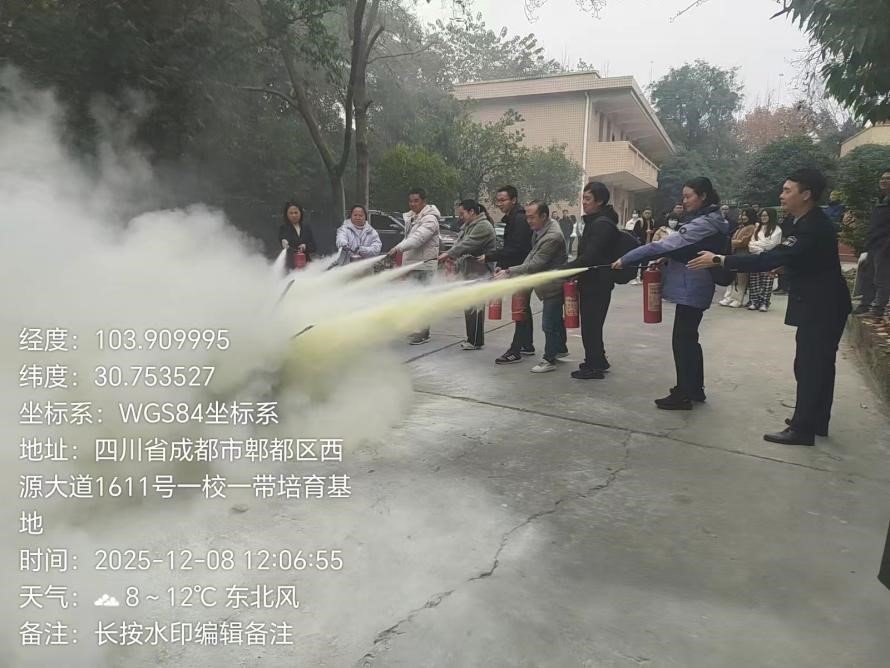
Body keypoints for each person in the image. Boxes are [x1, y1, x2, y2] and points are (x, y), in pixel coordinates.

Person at [689, 169, 852, 445]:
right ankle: (816, 420)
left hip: (821, 306)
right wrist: (787, 265)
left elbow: (772, 257)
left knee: (811, 366)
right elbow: (802, 259)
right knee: (819, 365)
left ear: (806, 194)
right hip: (821, 302)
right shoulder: (804, 221)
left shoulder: (812, 226)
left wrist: (721, 259)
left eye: (788, 190)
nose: (782, 195)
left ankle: (802, 429)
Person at [612, 177, 729, 409]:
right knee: (689, 339)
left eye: (688, 196)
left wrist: (626, 258)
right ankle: (694, 389)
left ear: (703, 196)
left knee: (682, 341)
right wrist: (668, 256)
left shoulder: (704, 222)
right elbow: (686, 248)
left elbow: (662, 244)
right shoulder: (710, 219)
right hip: (694, 286)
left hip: (693, 287)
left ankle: (683, 394)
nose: (684, 201)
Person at [496, 200, 568, 373]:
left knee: (549, 323)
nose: (528, 221)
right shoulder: (541, 229)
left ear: (544, 216)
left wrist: (510, 272)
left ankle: (549, 360)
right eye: (527, 217)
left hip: (553, 285)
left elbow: (536, 263)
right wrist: (512, 270)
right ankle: (560, 348)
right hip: (545, 283)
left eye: (532, 217)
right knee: (556, 320)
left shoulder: (552, 236)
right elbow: (532, 254)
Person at [562, 181, 621, 379]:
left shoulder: (602, 225)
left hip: (597, 283)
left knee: (591, 326)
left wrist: (565, 270)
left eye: (588, 199)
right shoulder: (596, 222)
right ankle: (598, 360)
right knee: (591, 324)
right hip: (592, 281)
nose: (584, 203)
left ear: (600, 201)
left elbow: (590, 257)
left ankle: (594, 367)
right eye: (583, 199)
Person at [482, 185, 534, 364]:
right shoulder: (512, 218)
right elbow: (509, 246)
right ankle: (527, 344)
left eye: (503, 200)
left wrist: (491, 257)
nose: (499, 203)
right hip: (516, 268)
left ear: (514, 200)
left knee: (520, 308)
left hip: (522, 270)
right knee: (524, 307)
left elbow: (517, 248)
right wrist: (501, 265)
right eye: (498, 200)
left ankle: (515, 350)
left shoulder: (519, 219)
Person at [386, 188, 441, 345]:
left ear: (424, 201)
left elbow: (418, 238)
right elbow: (409, 238)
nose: (413, 204)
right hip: (414, 264)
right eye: (410, 201)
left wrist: (398, 248)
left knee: (423, 300)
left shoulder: (430, 219)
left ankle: (424, 333)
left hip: (424, 266)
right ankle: (418, 329)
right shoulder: (413, 218)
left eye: (416, 201)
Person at [440, 199, 497, 350]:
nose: (460, 217)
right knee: (469, 305)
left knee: (476, 306)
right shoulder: (469, 226)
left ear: (472, 212)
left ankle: (476, 341)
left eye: (462, 213)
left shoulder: (483, 226)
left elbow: (467, 244)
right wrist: (451, 258)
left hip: (480, 272)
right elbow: (459, 243)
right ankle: (471, 339)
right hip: (470, 271)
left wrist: (449, 254)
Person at [853, 168, 890, 319]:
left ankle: (877, 309)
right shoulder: (880, 200)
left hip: (885, 246)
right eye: (882, 178)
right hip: (873, 243)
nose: (884, 180)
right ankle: (865, 304)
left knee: (881, 278)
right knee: (868, 276)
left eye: (888, 178)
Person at [718, 208, 755, 308]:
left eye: (745, 215)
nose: (742, 217)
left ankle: (738, 299)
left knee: (741, 278)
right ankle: (729, 297)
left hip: (744, 254)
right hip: (735, 253)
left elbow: (743, 242)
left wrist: (730, 242)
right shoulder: (740, 227)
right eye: (742, 215)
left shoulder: (751, 227)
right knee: (733, 277)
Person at [747, 208, 783, 311]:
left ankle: (764, 302)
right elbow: (751, 244)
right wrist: (761, 248)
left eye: (766, 215)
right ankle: (754, 301)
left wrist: (758, 245)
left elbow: (771, 244)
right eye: (762, 215)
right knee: (754, 280)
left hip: (769, 257)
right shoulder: (757, 228)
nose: (763, 217)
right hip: (755, 256)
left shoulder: (777, 229)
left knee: (766, 281)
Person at [278, 200, 316, 269]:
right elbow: (282, 238)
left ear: (300, 213)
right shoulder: (283, 228)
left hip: (306, 265)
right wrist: (283, 241)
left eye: (296, 212)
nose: (294, 215)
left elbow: (314, 246)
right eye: (291, 213)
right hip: (290, 266)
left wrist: (305, 246)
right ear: (286, 215)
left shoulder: (306, 227)